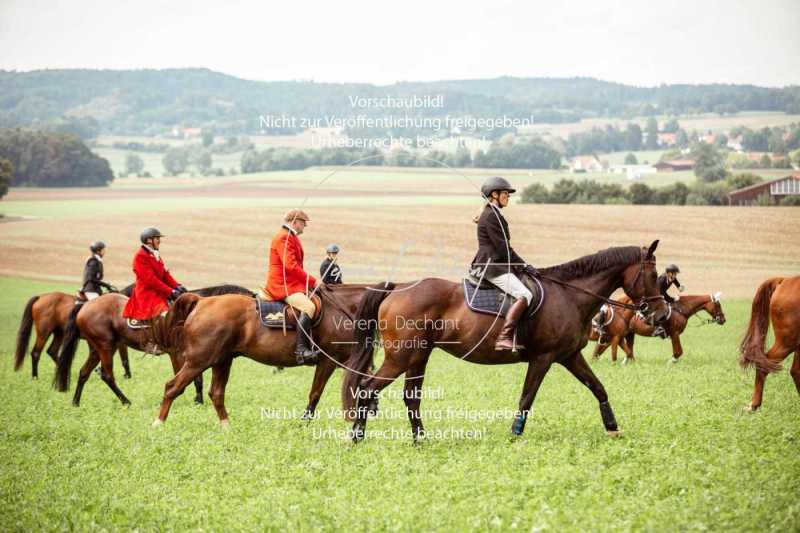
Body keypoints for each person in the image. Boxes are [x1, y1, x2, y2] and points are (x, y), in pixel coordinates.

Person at [470, 176, 537, 352]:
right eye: (505, 193)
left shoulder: (494, 214)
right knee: (524, 294)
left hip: (497, 264)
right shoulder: (491, 216)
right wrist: (523, 265)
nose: (508, 197)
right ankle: (504, 337)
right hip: (492, 266)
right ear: (494, 195)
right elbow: (502, 249)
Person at [263, 209, 320, 365]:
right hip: (283, 285)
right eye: (303, 223)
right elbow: (291, 266)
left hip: (292, 283)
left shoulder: (290, 236)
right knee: (308, 307)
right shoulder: (284, 237)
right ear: (295, 222)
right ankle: (301, 350)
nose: (305, 226)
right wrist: (313, 281)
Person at [122, 227, 186, 322]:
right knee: (166, 315)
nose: (159, 241)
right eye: (157, 238)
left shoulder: (155, 254)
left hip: (159, 291)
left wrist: (177, 286)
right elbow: (150, 280)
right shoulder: (140, 256)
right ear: (149, 240)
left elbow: (165, 274)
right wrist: (170, 291)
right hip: (148, 293)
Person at [653, 264, 685, 338]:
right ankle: (659, 328)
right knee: (663, 309)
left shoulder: (672, 278)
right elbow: (662, 293)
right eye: (675, 273)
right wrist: (673, 299)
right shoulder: (662, 280)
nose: (676, 275)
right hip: (655, 295)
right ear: (670, 273)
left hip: (661, 294)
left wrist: (680, 288)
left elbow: (678, 285)